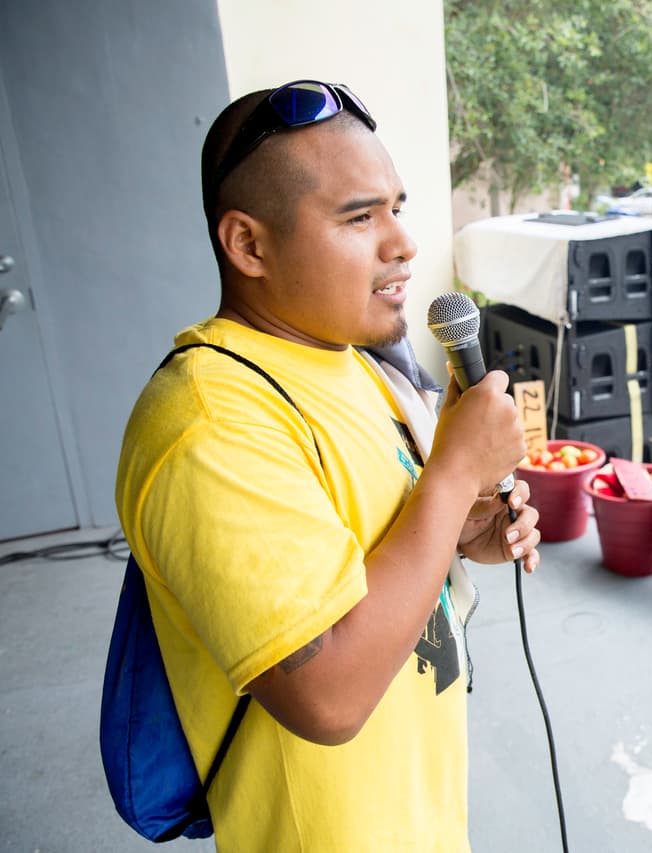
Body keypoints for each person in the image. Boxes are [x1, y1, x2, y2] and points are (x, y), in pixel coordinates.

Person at [114, 81, 541, 850]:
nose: (402, 242)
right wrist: (451, 475)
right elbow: (328, 696)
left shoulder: (354, 364)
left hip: (421, 818)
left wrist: (461, 528)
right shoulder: (208, 422)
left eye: (397, 208)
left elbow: (378, 545)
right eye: (358, 217)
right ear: (249, 245)